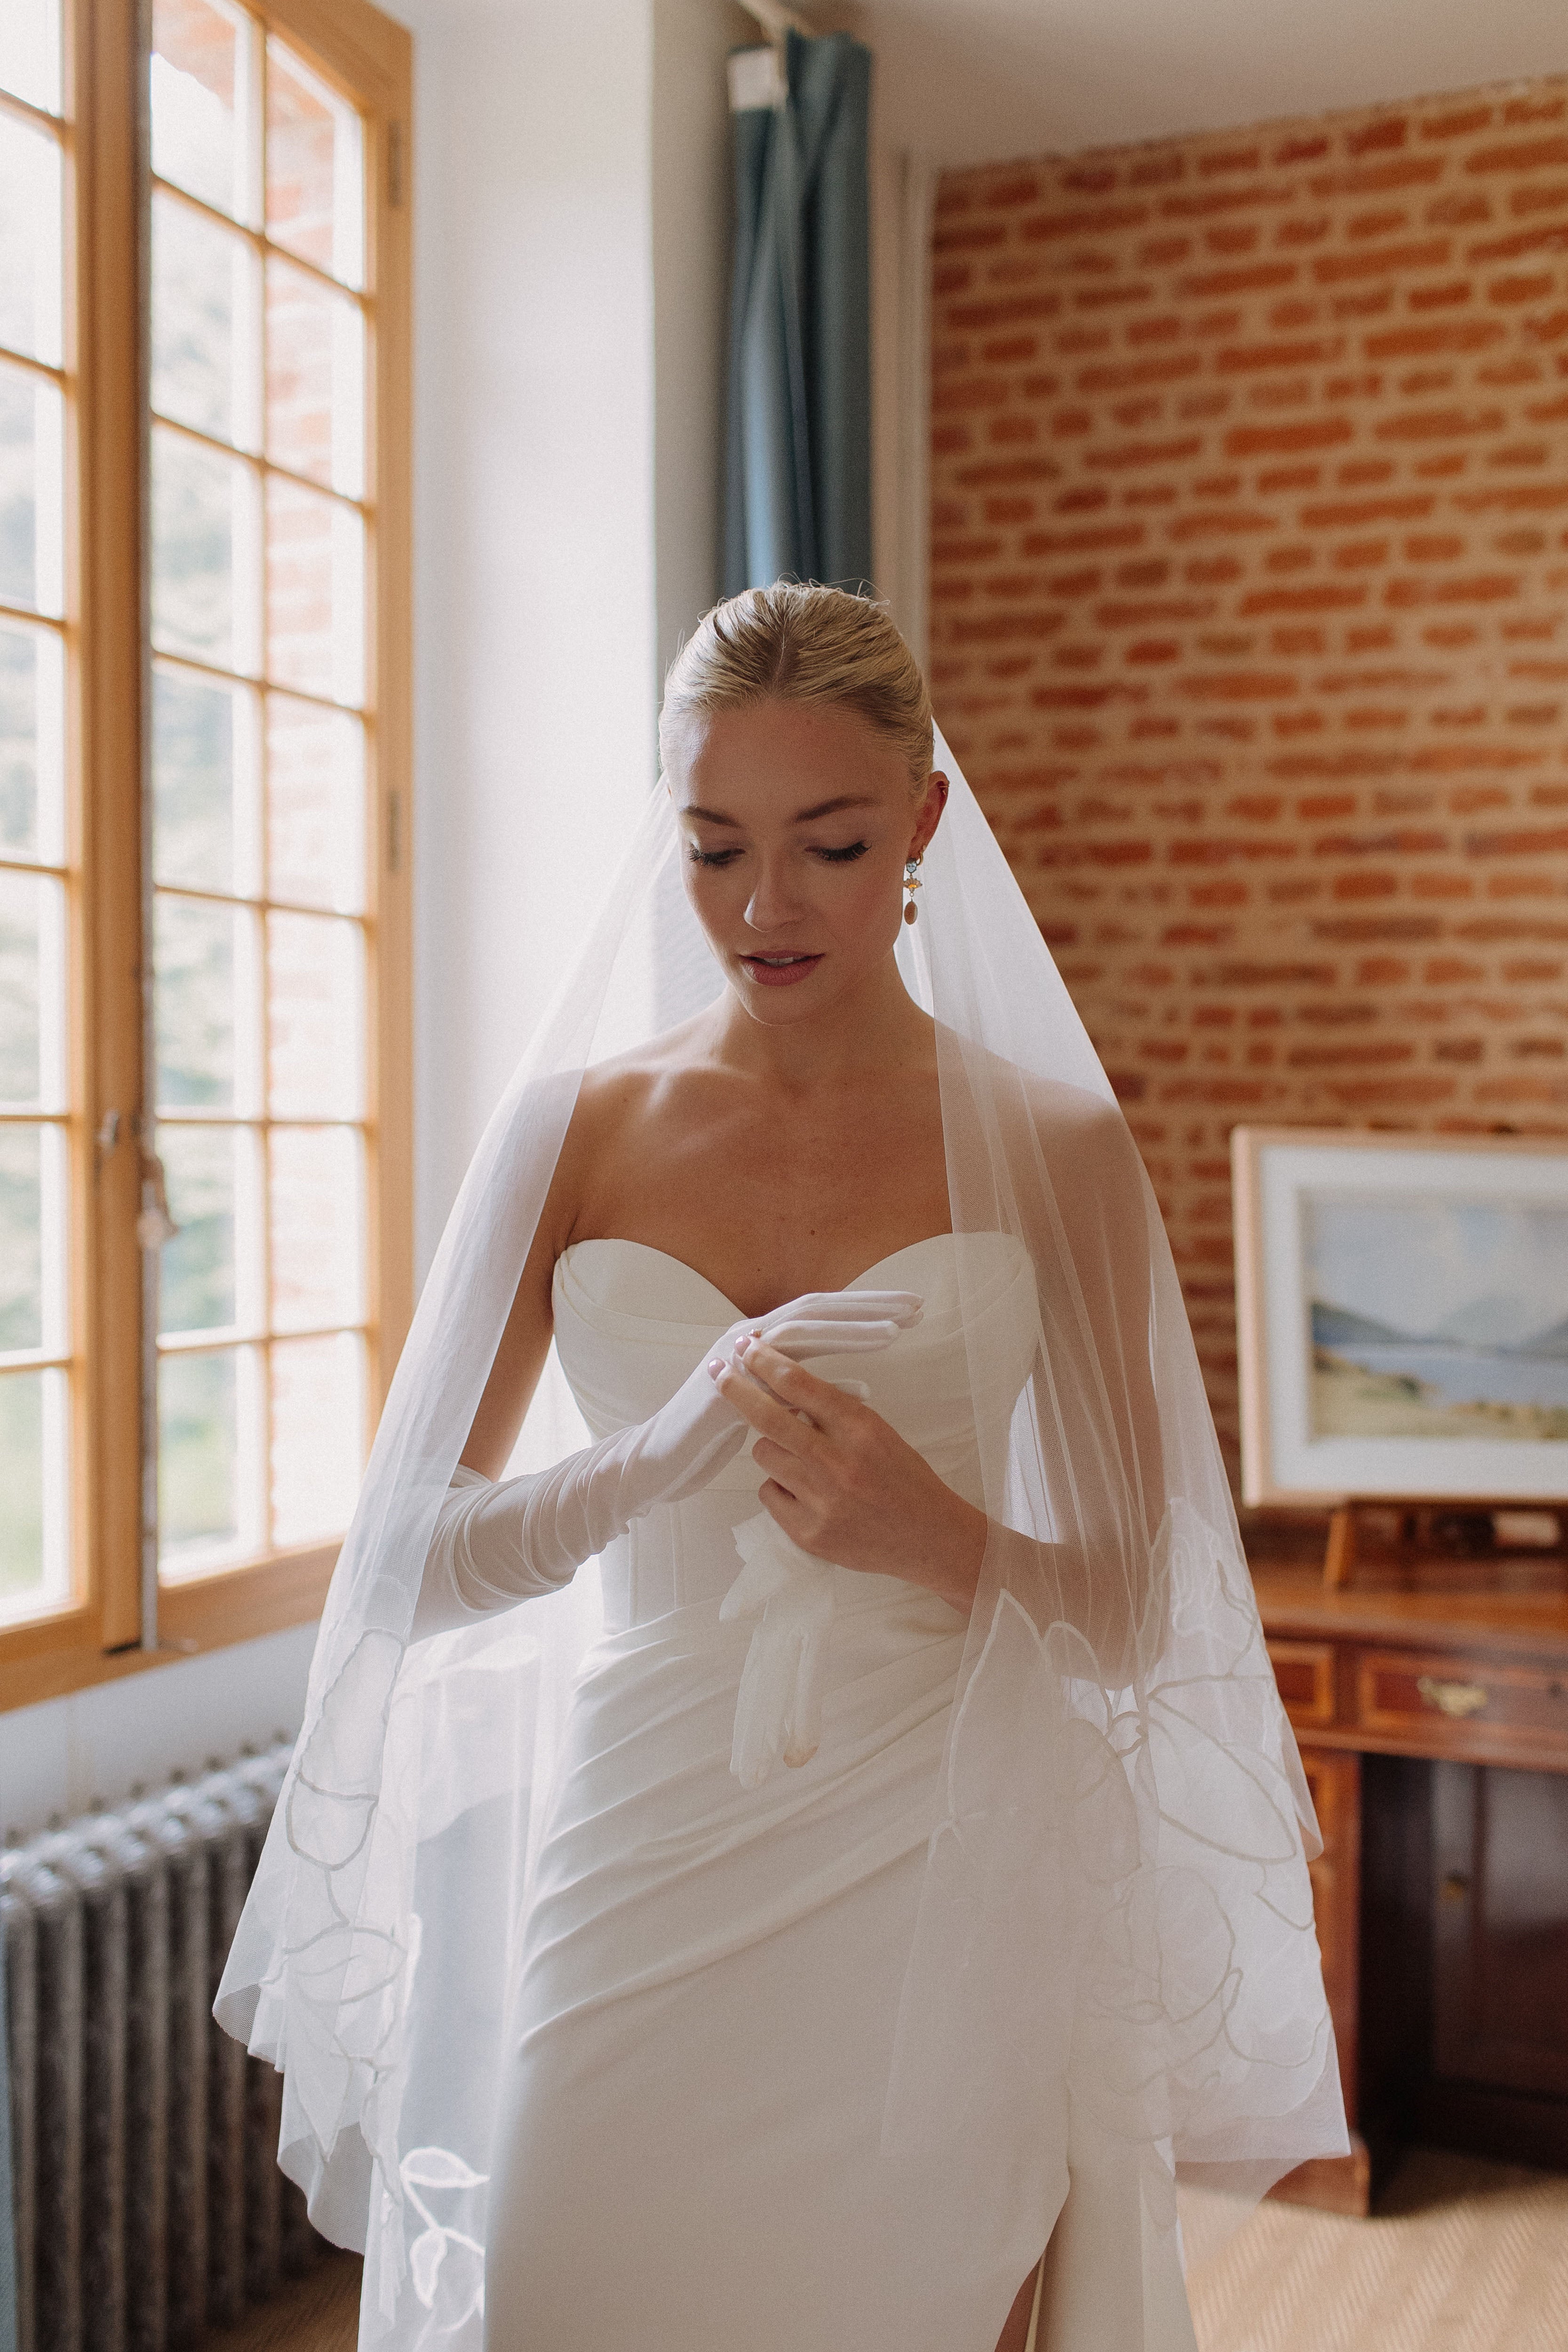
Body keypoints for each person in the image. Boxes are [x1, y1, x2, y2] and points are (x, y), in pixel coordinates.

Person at [218, 585, 1346, 2352]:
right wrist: (650, 1462)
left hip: (943, 1863)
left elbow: (1143, 1606)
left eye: (826, 845)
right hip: (642, 1841)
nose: (764, 907)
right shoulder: (572, 1137)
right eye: (714, 845)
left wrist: (946, 1540)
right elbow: (408, 1563)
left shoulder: (1057, 1150)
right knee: (578, 2281)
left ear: (924, 825)